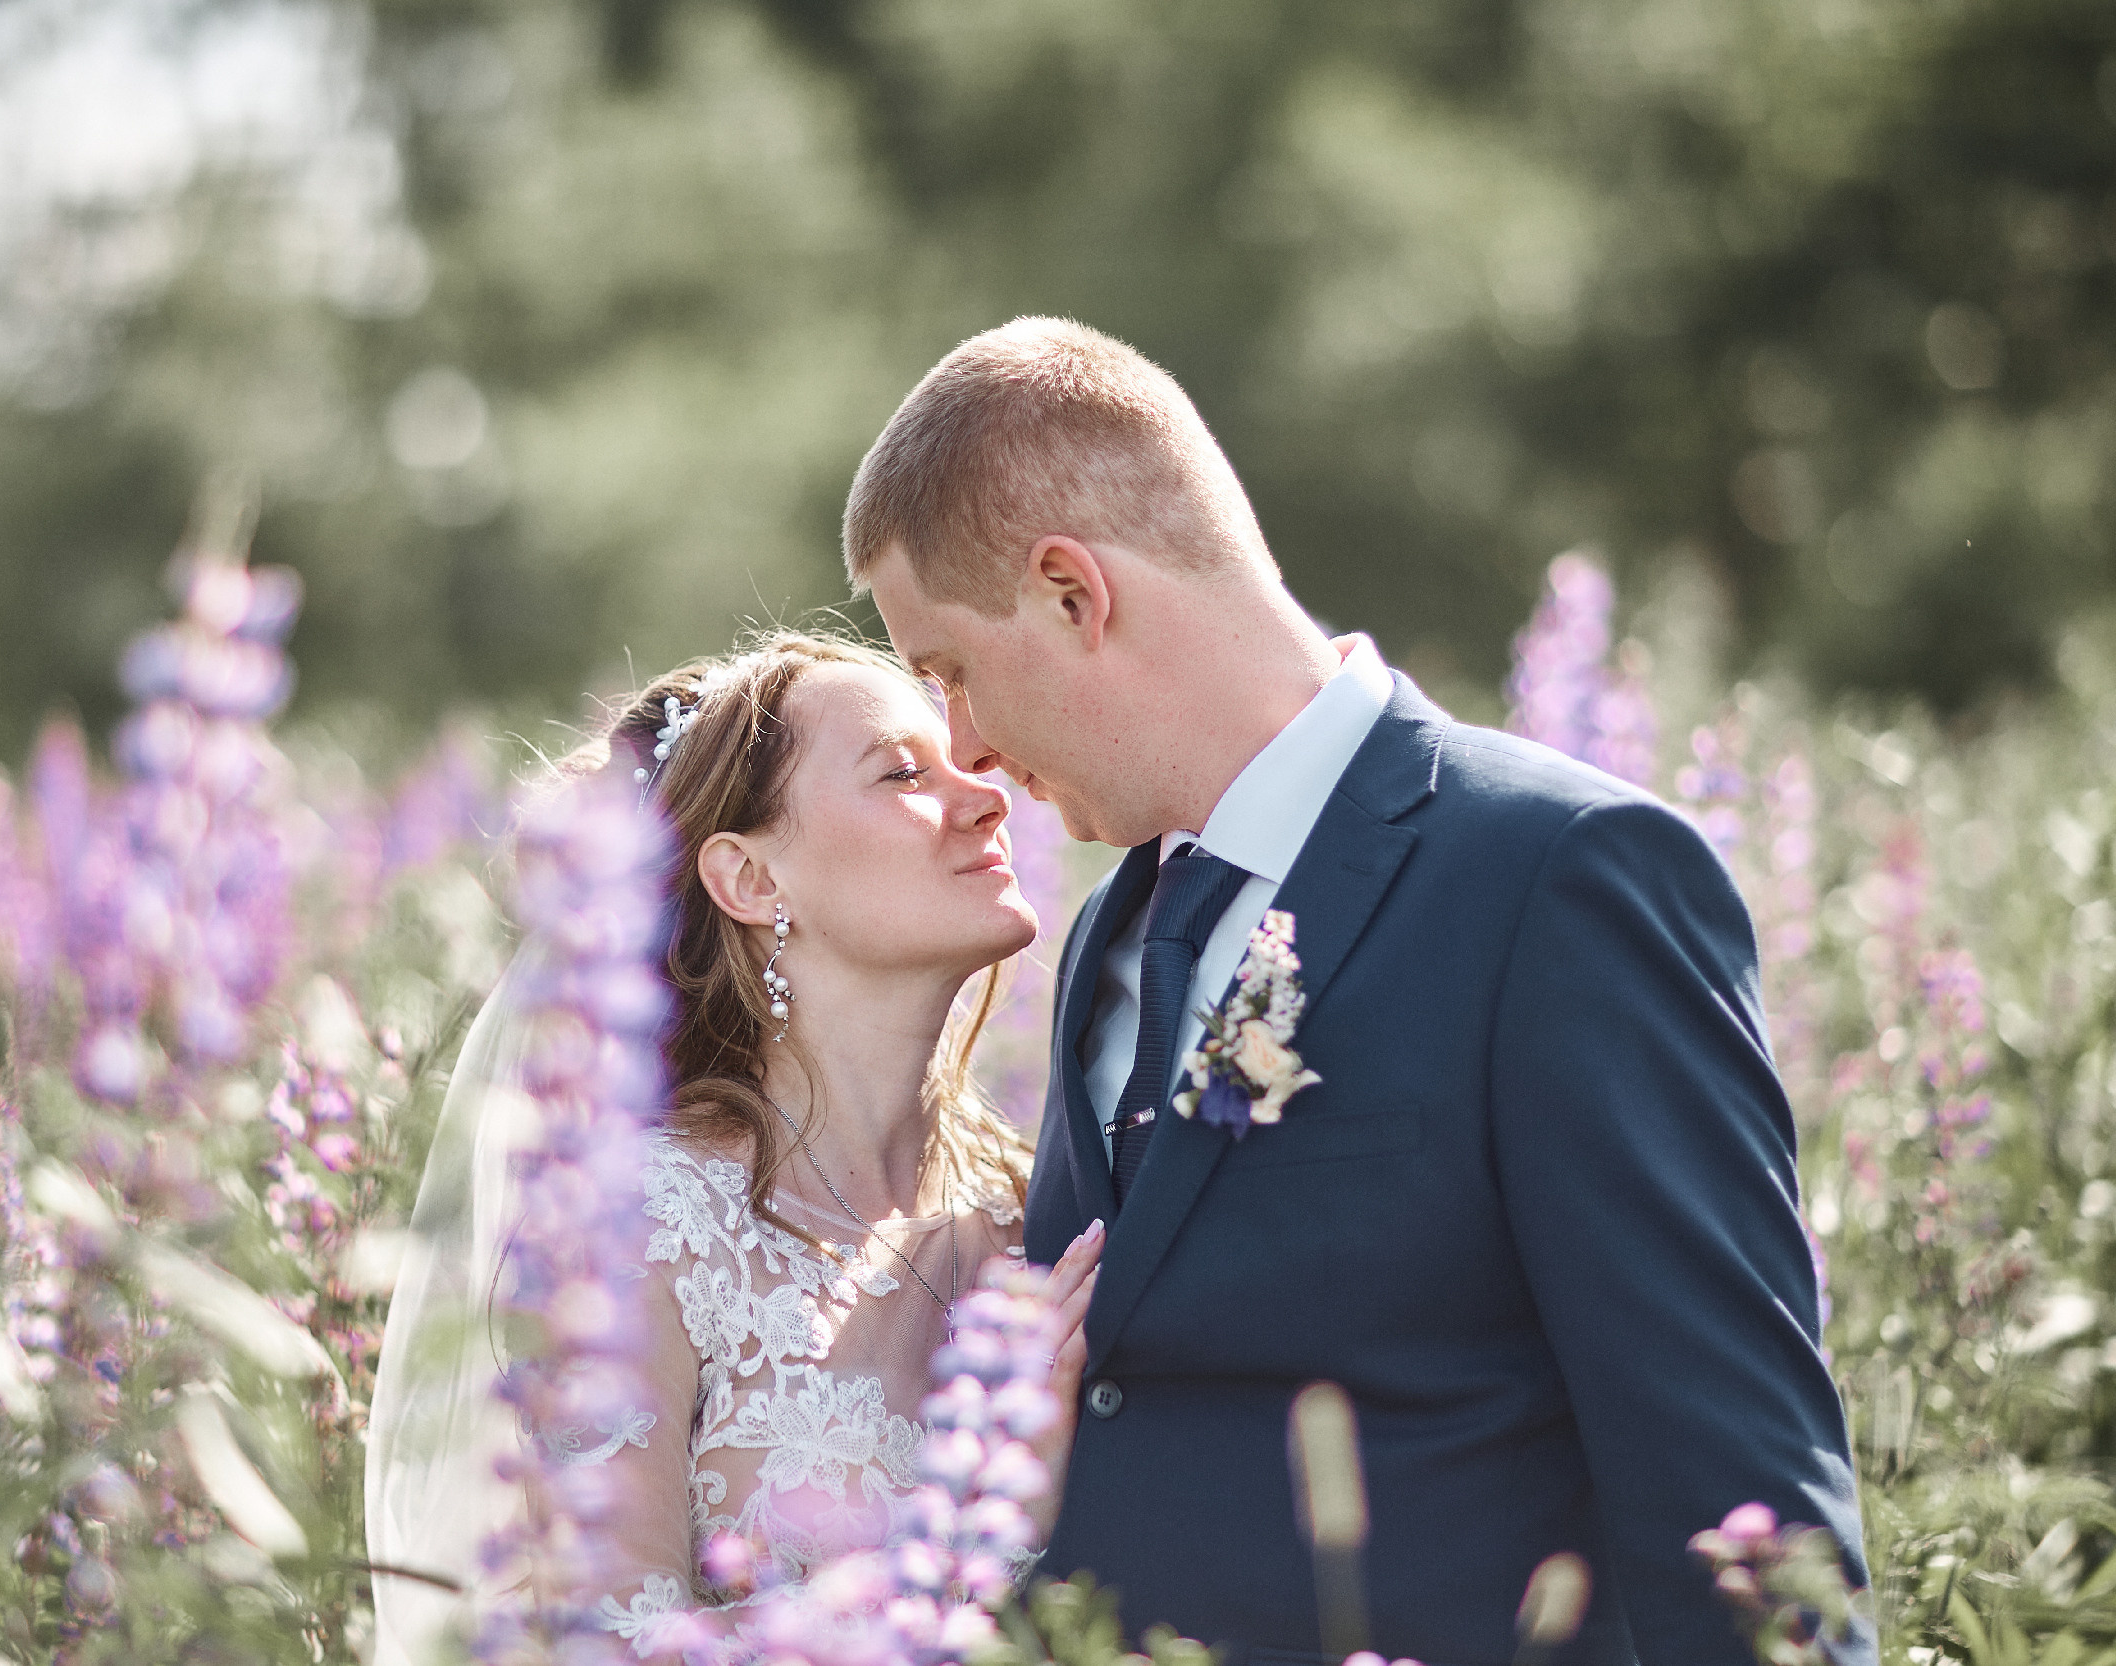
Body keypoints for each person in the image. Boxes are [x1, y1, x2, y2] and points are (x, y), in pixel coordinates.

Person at [846, 317, 1872, 1666]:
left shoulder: (1556, 877)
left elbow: (1734, 1481)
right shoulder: (1107, 931)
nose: (963, 744)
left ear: (1070, 594)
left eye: (950, 671)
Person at [363, 634, 1103, 1663]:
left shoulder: (1042, 1201)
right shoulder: (641, 1225)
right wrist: (983, 1534)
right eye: (902, 773)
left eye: (962, 762)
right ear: (749, 877)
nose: (986, 795)